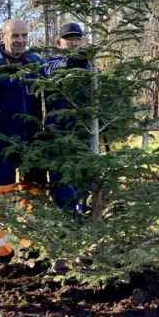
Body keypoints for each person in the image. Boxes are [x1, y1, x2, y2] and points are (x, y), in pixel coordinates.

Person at [0, 19, 45, 275]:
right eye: (14, 35)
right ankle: (1, 254)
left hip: (32, 141)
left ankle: (33, 250)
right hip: (0, 142)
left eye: (24, 35)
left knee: (34, 196)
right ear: (3, 36)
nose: (19, 40)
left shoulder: (36, 64)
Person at [42, 22, 92, 212]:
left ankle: (82, 212)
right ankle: (66, 217)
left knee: (83, 178)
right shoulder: (50, 64)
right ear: (58, 42)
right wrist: (75, 63)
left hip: (83, 131)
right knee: (61, 179)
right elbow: (52, 73)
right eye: (68, 39)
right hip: (58, 133)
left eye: (77, 38)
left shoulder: (90, 65)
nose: (73, 43)